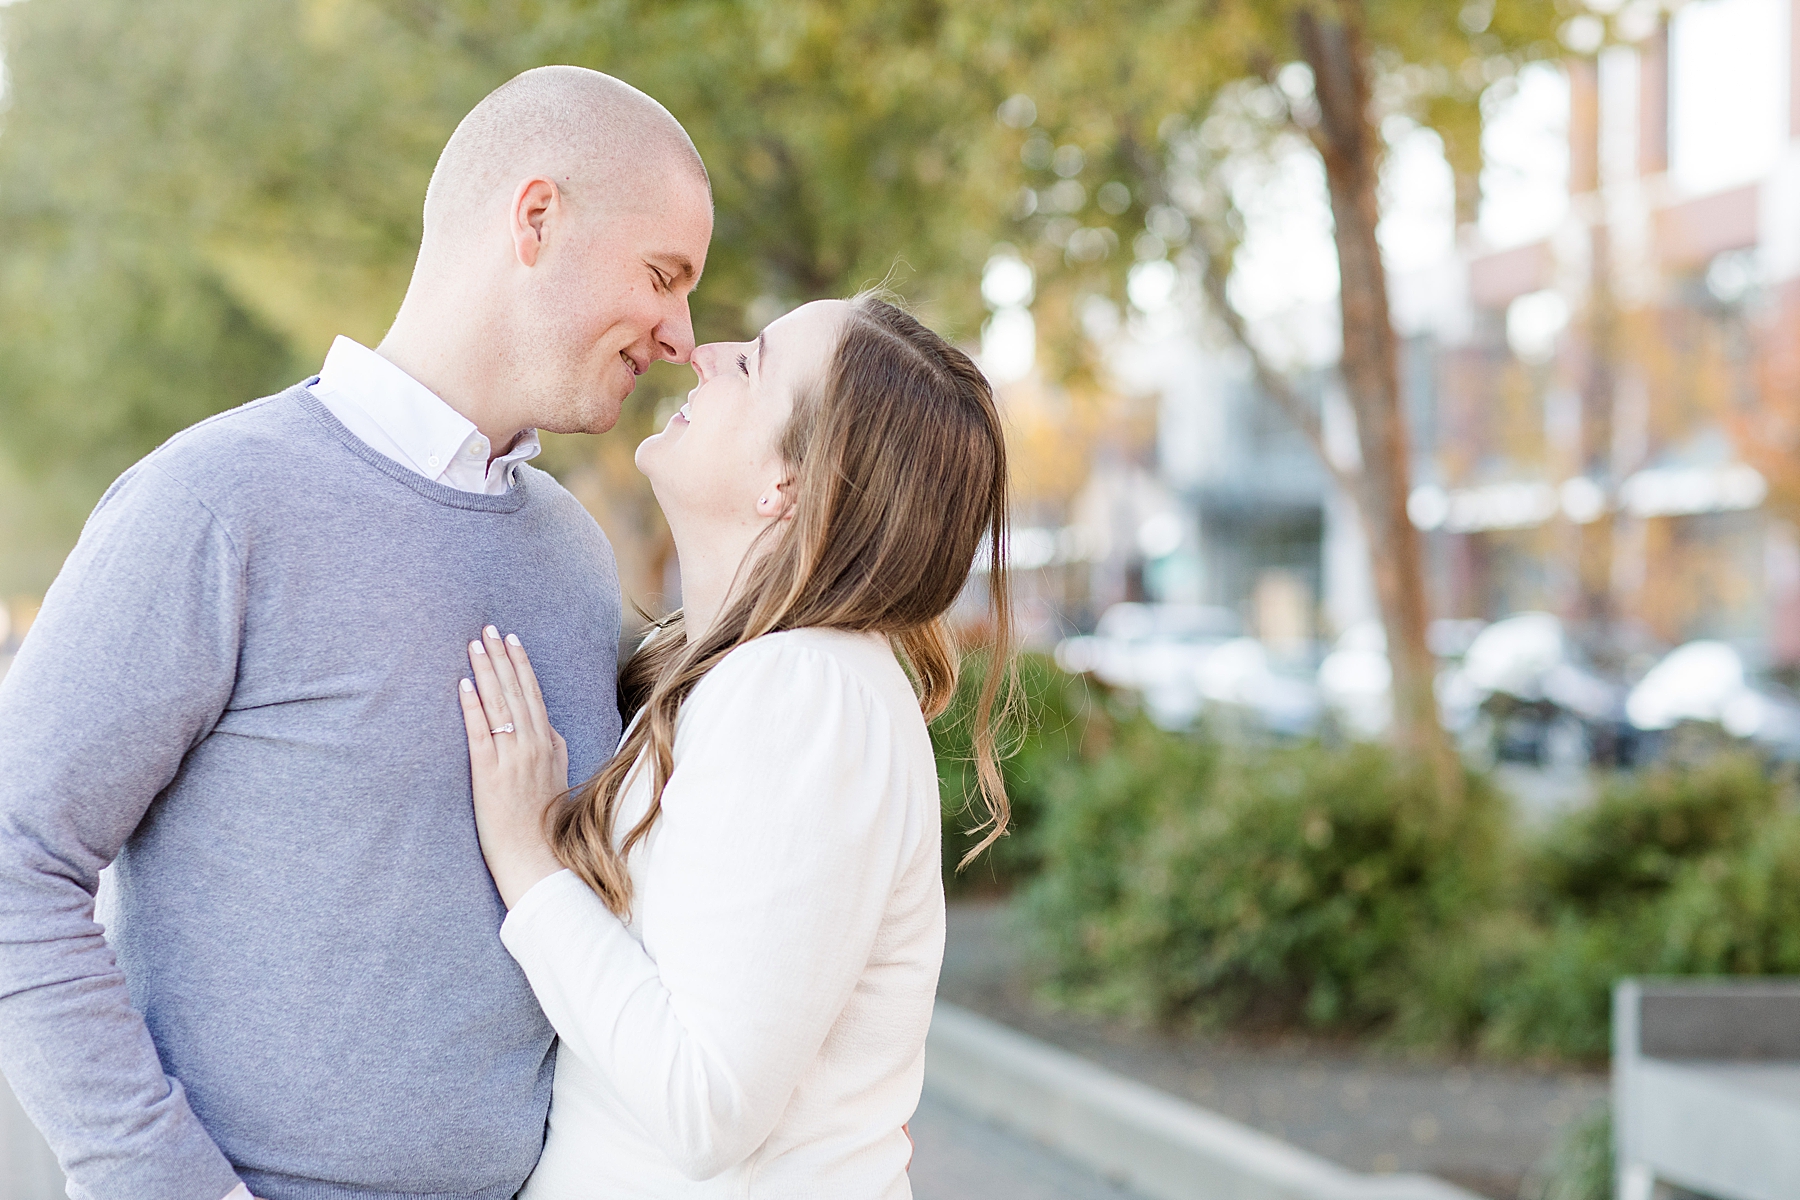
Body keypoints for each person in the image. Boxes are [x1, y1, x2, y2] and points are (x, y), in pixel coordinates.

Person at [0, 66, 711, 1200]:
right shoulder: (218, 501)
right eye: (663, 277)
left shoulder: (572, 555)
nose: (682, 334)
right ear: (537, 219)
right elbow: (15, 860)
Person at [455, 293, 1014, 1198]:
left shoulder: (808, 692)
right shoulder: (752, 678)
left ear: (787, 485)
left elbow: (705, 1106)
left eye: (752, 362)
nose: (703, 353)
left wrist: (527, 855)